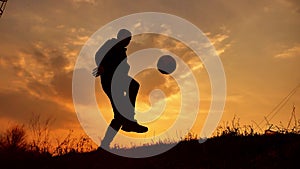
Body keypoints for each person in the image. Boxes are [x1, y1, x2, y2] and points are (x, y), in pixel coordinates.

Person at [93, 29, 148, 149]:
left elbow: (123, 68)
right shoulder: (111, 44)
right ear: (120, 37)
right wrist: (101, 65)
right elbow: (98, 55)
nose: (128, 41)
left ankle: (128, 122)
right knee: (120, 113)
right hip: (111, 82)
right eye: (127, 39)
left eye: (129, 39)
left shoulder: (122, 52)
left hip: (119, 80)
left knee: (120, 114)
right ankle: (129, 122)